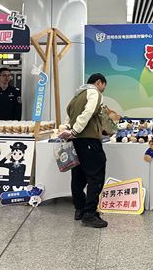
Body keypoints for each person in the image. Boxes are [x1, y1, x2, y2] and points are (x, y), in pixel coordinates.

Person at [58, 73, 109, 228]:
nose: (104, 89)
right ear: (99, 82)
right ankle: (90, 213)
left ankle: (79, 209)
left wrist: (68, 130)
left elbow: (68, 117)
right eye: (104, 85)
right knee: (96, 176)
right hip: (89, 140)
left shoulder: (77, 95)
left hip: (76, 142)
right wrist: (76, 130)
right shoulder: (94, 93)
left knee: (78, 176)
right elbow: (88, 112)